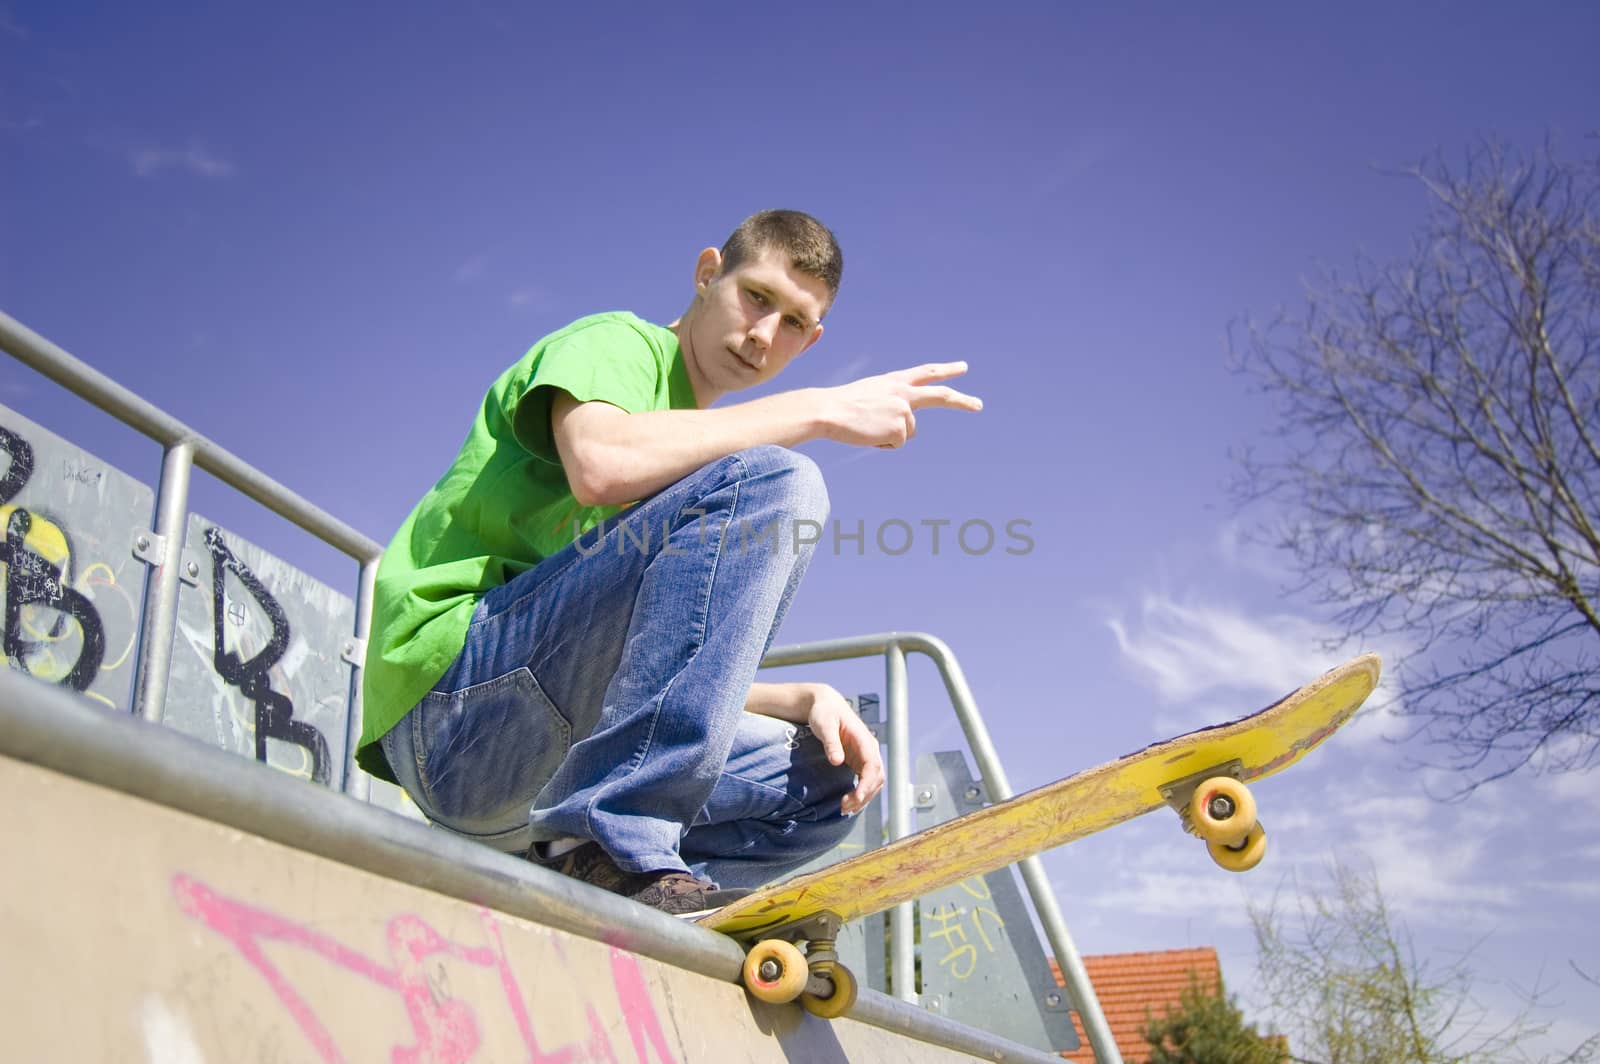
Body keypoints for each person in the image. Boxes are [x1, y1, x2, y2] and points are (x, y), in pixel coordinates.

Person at [357, 210, 981, 915]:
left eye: (794, 324)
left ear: (812, 340)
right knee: (782, 482)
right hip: (457, 720)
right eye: (757, 297)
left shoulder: (701, 463)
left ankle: (608, 880)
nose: (762, 336)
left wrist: (797, 698)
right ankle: (617, 844)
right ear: (708, 272)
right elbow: (600, 463)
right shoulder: (617, 346)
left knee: (826, 781)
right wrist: (817, 408)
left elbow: (643, 663)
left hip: (541, 763)